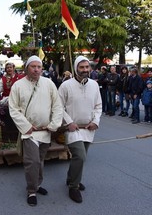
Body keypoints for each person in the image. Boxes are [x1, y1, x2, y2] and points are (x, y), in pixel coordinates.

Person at [9, 55, 63, 206]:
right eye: (33, 66)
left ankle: (37, 184)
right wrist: (26, 127)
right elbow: (13, 109)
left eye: (39, 67)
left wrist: (53, 125)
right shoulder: (18, 86)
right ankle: (31, 190)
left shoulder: (49, 83)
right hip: (30, 133)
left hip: (45, 131)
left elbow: (57, 106)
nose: (36, 69)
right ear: (27, 68)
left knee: (40, 161)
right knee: (32, 162)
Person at [58, 55, 102, 204]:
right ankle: (73, 187)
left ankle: (71, 178)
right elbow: (59, 107)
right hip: (72, 129)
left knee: (80, 158)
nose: (84, 70)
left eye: (87, 67)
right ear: (76, 68)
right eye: (81, 67)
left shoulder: (94, 85)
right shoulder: (65, 86)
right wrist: (69, 122)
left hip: (89, 129)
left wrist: (96, 121)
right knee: (80, 156)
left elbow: (98, 106)